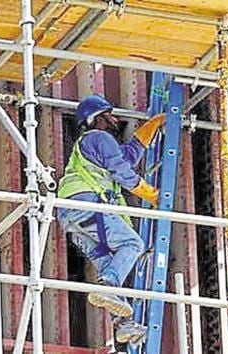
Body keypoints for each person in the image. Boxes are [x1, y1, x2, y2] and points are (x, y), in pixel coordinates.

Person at [57, 94, 164, 346]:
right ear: (98, 118)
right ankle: (109, 289)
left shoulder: (93, 145)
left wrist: (148, 130)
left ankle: (123, 324)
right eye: (110, 114)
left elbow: (124, 158)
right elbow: (123, 171)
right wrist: (149, 193)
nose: (115, 119)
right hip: (86, 206)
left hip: (72, 217)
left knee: (108, 266)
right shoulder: (99, 137)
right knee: (132, 245)